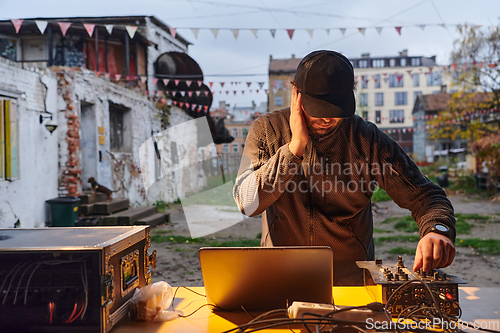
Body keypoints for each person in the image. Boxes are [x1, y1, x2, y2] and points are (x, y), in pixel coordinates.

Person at [233, 50, 456, 286]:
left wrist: (437, 230)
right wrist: (294, 149)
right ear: (295, 92)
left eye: (336, 110)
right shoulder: (267, 130)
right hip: (281, 280)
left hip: (350, 285)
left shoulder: (367, 140)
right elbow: (247, 203)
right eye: (318, 109)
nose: (327, 119)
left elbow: (428, 197)